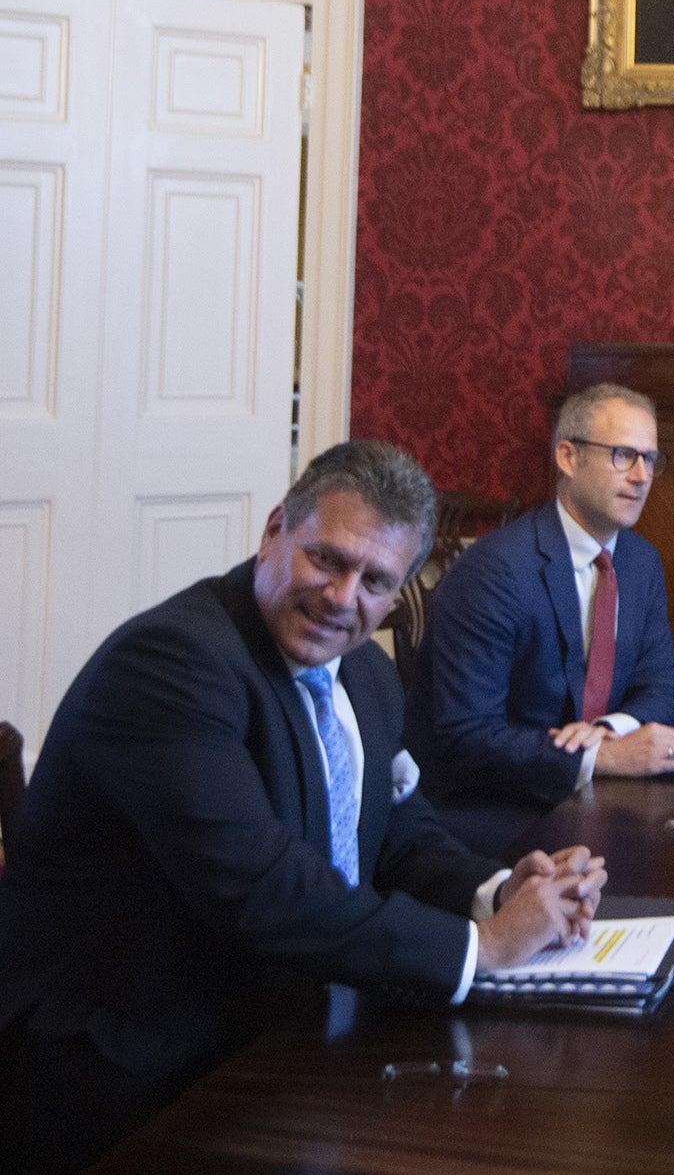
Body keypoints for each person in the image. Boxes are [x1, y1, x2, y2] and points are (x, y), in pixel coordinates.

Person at [0, 442, 607, 1174]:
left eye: (375, 580)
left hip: (283, 1028)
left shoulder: (366, 672)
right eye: (326, 559)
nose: (342, 597)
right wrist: (486, 949)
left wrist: (503, 890)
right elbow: (265, 892)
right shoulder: (171, 665)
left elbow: (396, 835)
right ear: (274, 530)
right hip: (135, 1070)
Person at [409, 384, 674, 839]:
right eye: (624, 455)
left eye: (651, 459)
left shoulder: (640, 562)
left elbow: (662, 690)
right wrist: (599, 758)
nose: (642, 475)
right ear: (568, 457)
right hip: (492, 810)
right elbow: (467, 736)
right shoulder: (494, 572)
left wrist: (605, 732)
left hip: (588, 797)